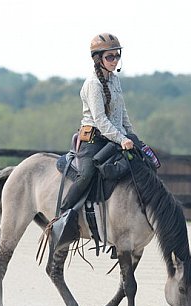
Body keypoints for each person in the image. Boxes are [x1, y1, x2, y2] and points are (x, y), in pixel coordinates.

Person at [59, 32, 138, 212]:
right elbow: (101, 120)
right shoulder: (93, 84)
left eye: (117, 55)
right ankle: (62, 216)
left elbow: (122, 113)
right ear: (98, 59)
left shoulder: (115, 80)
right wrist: (121, 139)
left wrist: (132, 136)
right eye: (110, 56)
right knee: (86, 175)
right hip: (94, 140)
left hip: (115, 139)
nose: (115, 60)